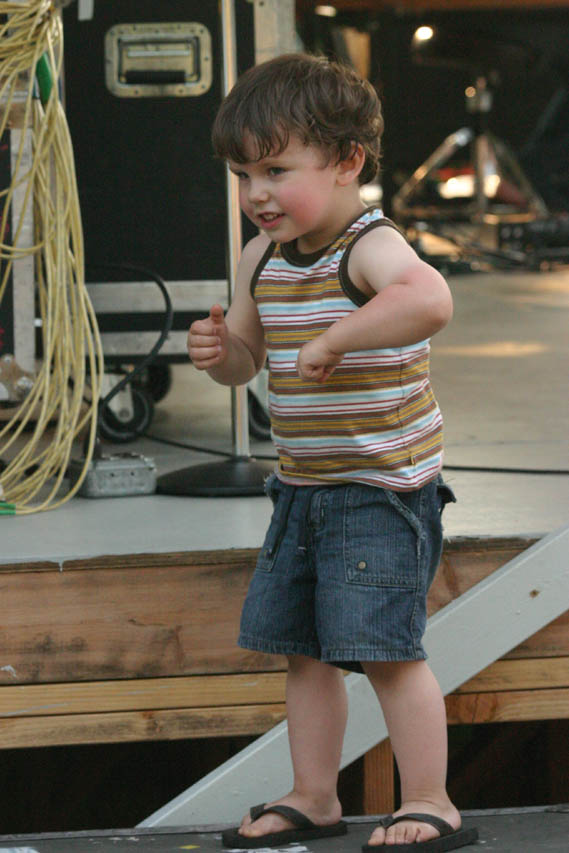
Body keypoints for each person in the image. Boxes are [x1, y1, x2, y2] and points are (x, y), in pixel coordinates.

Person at [188, 53, 478, 852]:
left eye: (276, 170)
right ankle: (313, 795)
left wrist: (337, 337)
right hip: (302, 488)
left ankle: (429, 799)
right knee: (304, 653)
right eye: (242, 175)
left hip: (380, 491)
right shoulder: (260, 256)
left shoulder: (367, 246)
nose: (256, 194)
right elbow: (248, 358)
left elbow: (429, 298)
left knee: (385, 651)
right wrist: (220, 355)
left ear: (347, 162)